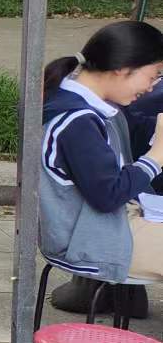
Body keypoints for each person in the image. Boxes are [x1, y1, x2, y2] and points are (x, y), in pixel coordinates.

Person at [41, 21, 163, 285]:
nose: (152, 87)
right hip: (92, 241)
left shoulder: (88, 102)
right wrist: (156, 158)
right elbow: (108, 195)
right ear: (123, 68)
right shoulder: (76, 121)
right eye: (153, 75)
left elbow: (134, 130)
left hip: (110, 226)